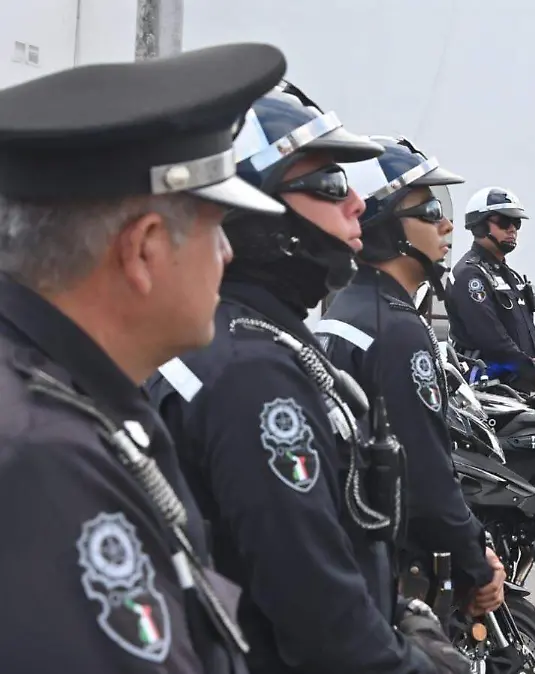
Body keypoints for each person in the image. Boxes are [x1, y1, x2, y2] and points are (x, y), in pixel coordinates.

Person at [145, 83, 464, 673]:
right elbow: (315, 609)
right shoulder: (252, 372)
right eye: (329, 185)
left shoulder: (243, 338)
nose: (358, 205)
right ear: (251, 207)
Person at [0, 43, 286, 673]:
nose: (229, 257)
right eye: (217, 228)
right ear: (145, 249)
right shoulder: (41, 461)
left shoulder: (60, 399)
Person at [315, 136, 506, 618]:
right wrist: (475, 560)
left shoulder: (349, 306)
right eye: (426, 211)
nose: (445, 224)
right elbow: (422, 470)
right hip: (393, 564)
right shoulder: (395, 328)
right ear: (382, 225)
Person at [447, 186, 535, 393]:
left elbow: (529, 329)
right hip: (490, 392)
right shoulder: (470, 275)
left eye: (516, 223)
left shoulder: (510, 275)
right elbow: (491, 340)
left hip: (522, 390)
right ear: (479, 226)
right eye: (504, 222)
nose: (512, 229)